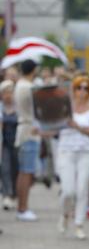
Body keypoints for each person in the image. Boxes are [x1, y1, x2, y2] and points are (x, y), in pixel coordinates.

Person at [56, 75, 89, 240]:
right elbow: (53, 126)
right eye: (79, 88)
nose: (82, 92)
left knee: (82, 188)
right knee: (68, 190)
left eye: (86, 88)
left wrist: (78, 127)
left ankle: (79, 223)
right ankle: (64, 214)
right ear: (74, 89)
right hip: (66, 150)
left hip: (86, 151)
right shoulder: (65, 107)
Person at [13, 59, 41, 222]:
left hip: (26, 129)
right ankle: (22, 207)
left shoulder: (21, 85)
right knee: (26, 171)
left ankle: (22, 207)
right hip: (29, 130)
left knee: (25, 171)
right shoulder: (28, 87)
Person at [0, 80, 17, 211]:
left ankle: (14, 194)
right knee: (5, 169)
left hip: (17, 142)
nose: (7, 95)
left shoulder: (18, 107)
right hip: (4, 142)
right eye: (5, 92)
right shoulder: (1, 107)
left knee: (15, 169)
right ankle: (6, 195)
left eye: (10, 92)